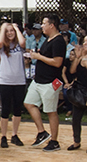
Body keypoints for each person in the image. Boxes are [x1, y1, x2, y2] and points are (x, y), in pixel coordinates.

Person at [25, 14, 66, 152]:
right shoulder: (48, 40)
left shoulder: (58, 41)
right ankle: (42, 132)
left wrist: (39, 57)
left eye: (44, 23)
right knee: (29, 103)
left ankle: (54, 141)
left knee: (51, 111)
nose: (41, 26)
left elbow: (57, 62)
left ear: (52, 25)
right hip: (38, 80)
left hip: (50, 82)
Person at [66, 37, 87, 151]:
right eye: (84, 42)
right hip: (79, 90)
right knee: (76, 118)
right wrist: (78, 57)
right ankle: (76, 141)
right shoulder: (80, 57)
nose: (85, 44)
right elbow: (72, 71)